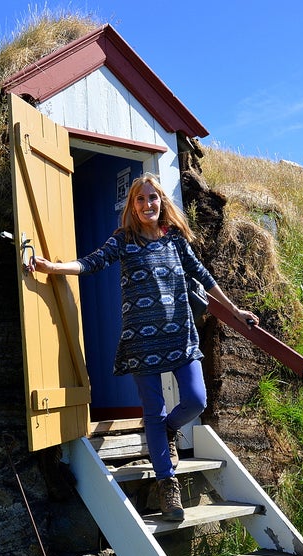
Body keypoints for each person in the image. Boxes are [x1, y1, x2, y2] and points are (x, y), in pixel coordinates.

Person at [30, 172, 258, 521]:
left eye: (153, 198)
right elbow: (91, 263)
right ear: (133, 207)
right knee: (152, 411)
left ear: (161, 202)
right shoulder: (123, 240)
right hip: (142, 340)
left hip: (180, 334)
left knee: (196, 399)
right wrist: (53, 267)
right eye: (141, 199)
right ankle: (168, 485)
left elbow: (204, 277)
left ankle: (169, 429)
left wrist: (236, 310)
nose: (148, 204)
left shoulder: (176, 240)